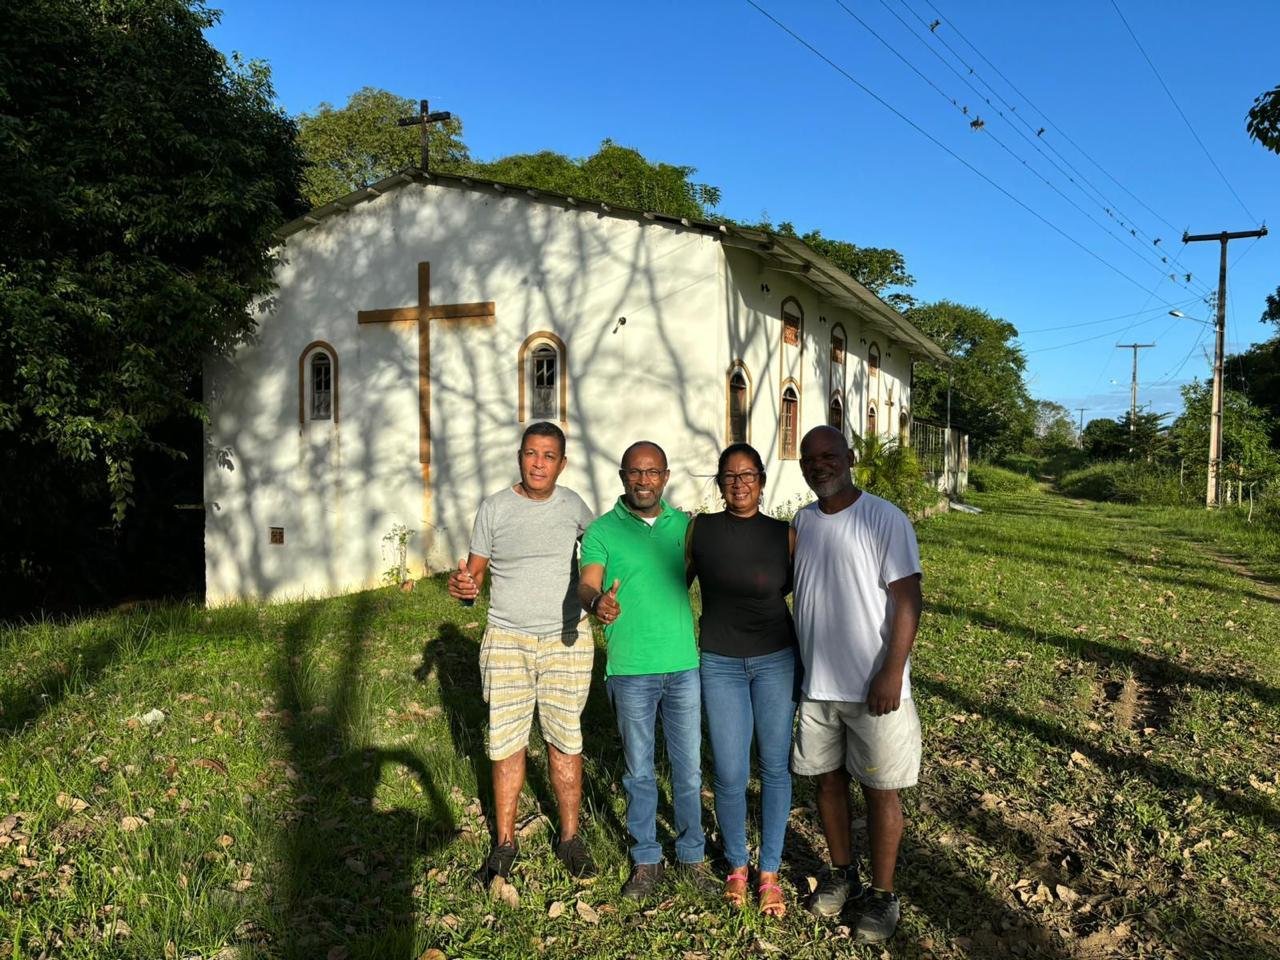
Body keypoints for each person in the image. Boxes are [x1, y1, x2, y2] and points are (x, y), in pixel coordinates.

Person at [448, 421, 598, 884]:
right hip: (507, 639)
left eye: (549, 456)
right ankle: (504, 844)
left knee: (564, 738)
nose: (538, 463)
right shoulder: (494, 508)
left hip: (566, 639)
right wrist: (465, 587)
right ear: (520, 457)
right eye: (531, 453)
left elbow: (599, 555)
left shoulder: (575, 506)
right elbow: (474, 574)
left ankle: (570, 838)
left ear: (562, 463)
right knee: (506, 741)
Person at [790, 425, 923, 944]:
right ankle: (842, 872)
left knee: (880, 790)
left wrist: (892, 671)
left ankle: (883, 895)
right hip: (818, 686)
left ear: (850, 457)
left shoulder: (884, 518)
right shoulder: (802, 523)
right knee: (827, 782)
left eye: (828, 455)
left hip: (875, 687)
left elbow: (907, 600)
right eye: (809, 458)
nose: (819, 464)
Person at [577, 440, 712, 901]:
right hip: (630, 669)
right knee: (638, 771)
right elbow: (587, 581)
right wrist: (598, 602)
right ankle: (647, 859)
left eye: (653, 472)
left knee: (688, 769)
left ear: (666, 476)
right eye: (635, 472)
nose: (644, 480)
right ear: (622, 476)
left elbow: (691, 575)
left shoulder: (687, 528)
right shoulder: (600, 532)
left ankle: (692, 856)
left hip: (683, 666)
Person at [687, 443, 798, 917]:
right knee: (730, 773)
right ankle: (737, 865)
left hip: (776, 659)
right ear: (719, 482)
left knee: (774, 767)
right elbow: (676, 581)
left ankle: (769, 870)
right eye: (730, 476)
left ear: (762, 480)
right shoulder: (701, 530)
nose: (739, 483)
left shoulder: (784, 534)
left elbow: (792, 586)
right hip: (720, 662)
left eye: (748, 474)